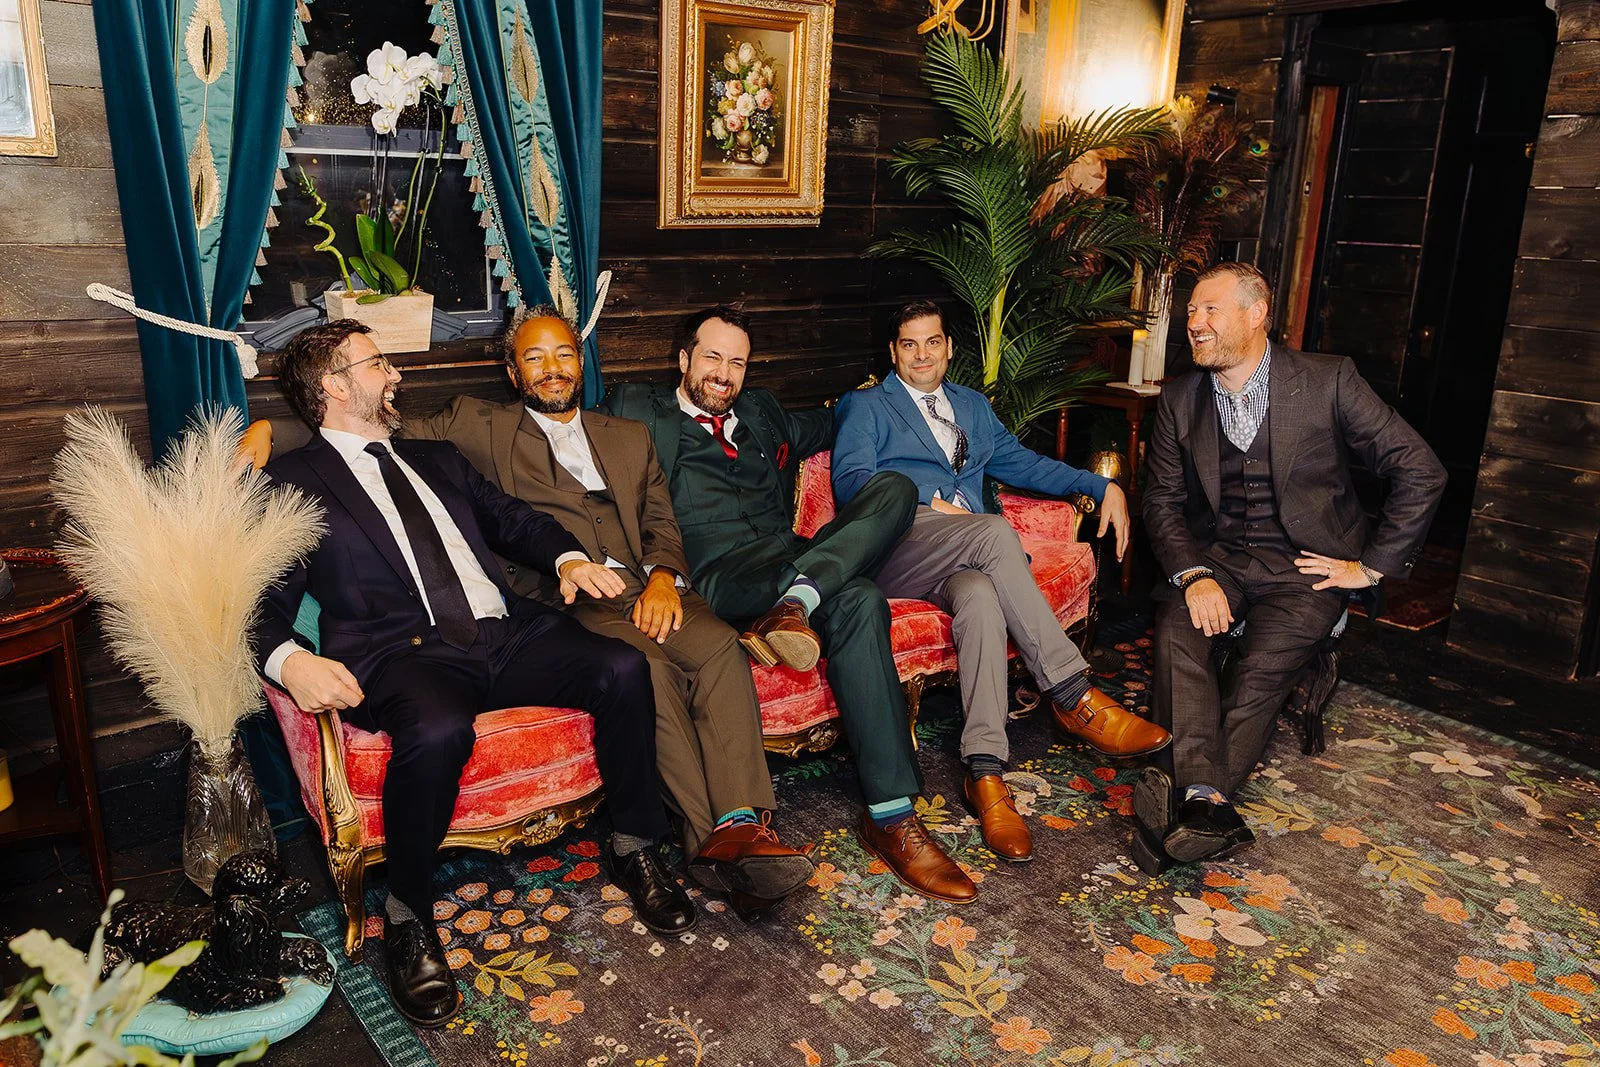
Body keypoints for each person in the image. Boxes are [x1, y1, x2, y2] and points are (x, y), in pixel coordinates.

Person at [253, 320, 693, 1027]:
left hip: (505, 634)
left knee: (621, 665)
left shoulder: (437, 456)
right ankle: (407, 915)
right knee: (436, 727)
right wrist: (292, 659)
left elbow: (513, 519)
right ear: (333, 385)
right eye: (377, 364)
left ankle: (636, 843)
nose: (395, 375)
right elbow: (255, 602)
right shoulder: (294, 483)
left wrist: (568, 559)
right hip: (405, 652)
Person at [402, 306, 814, 919]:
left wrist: (666, 582)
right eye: (534, 358)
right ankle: (718, 846)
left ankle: (741, 823)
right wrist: (263, 435)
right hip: (566, 601)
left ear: (581, 361)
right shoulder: (479, 424)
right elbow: (380, 430)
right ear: (513, 372)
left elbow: (660, 523)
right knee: (649, 670)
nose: (552, 369)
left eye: (564, 353)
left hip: (647, 587)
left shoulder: (627, 436)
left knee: (721, 649)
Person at [605, 306, 979, 905]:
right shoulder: (636, 411)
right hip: (718, 577)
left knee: (891, 505)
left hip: (790, 559)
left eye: (737, 362)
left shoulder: (762, 412)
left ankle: (890, 816)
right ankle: (801, 601)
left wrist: (915, 405)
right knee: (854, 590)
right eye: (711, 358)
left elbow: (838, 419)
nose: (724, 375)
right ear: (683, 360)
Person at [831, 299, 1172, 863]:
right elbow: (851, 485)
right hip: (896, 549)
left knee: (983, 598)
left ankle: (985, 772)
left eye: (932, 342)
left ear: (948, 348)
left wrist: (1100, 484)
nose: (922, 355)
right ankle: (1070, 692)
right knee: (992, 533)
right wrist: (930, 504)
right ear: (893, 352)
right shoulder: (866, 406)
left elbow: (1024, 464)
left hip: (963, 559)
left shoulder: (970, 405)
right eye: (909, 344)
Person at [1140, 262, 1446, 863]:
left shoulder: (1329, 381)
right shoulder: (1179, 399)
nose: (1194, 324)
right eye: (1192, 312)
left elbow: (1420, 468)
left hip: (1306, 569)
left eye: (1210, 311)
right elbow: (1163, 502)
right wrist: (1195, 574)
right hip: (1218, 560)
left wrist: (1370, 567)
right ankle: (1206, 803)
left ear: (1257, 316)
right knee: (1179, 631)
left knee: (1261, 671)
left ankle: (1181, 795)